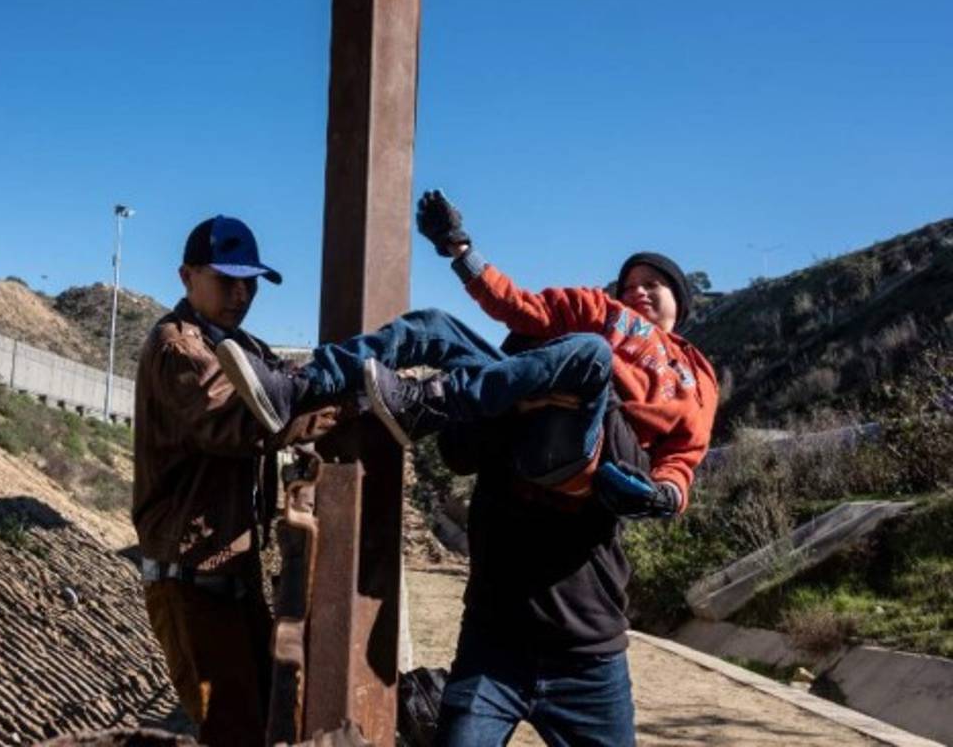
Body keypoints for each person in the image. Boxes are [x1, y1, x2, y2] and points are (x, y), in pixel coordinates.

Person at [218, 191, 719, 745]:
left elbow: (684, 455)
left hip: (600, 454)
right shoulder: (598, 316)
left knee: (590, 356)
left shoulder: (694, 375)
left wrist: (667, 495)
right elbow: (519, 306)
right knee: (434, 324)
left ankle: (426, 400)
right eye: (629, 283)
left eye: (655, 283)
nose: (638, 291)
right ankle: (300, 385)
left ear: (682, 304)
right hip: (497, 633)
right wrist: (461, 251)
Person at [131, 215, 339, 747]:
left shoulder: (241, 344)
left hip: (232, 574)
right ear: (186, 276)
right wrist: (335, 414)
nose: (241, 292)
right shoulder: (179, 350)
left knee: (267, 716)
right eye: (227, 279)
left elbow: (286, 386)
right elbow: (242, 425)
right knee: (232, 730)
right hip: (191, 579)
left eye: (249, 282)